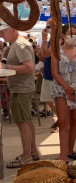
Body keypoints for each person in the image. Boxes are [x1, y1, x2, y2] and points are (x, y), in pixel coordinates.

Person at [0, 23, 39, 167]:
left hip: (21, 88)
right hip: (22, 87)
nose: (1, 35)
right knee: (26, 121)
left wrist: (6, 67)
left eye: (3, 32)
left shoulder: (20, 45)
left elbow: (29, 67)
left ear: (13, 29)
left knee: (22, 122)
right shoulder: (18, 43)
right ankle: (32, 152)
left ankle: (26, 156)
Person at [51, 23, 76, 161]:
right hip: (61, 90)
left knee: (75, 120)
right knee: (63, 121)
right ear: (63, 35)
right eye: (71, 34)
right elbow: (55, 73)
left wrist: (74, 87)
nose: (74, 36)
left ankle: (70, 150)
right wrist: (67, 88)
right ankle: (63, 154)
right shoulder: (56, 52)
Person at [40, 19, 58, 131]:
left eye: (49, 26)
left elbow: (45, 53)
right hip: (48, 73)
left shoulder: (57, 39)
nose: (47, 29)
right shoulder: (52, 39)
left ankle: (62, 118)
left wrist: (44, 38)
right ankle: (61, 117)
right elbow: (44, 54)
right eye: (47, 26)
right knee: (47, 99)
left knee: (54, 100)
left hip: (54, 75)